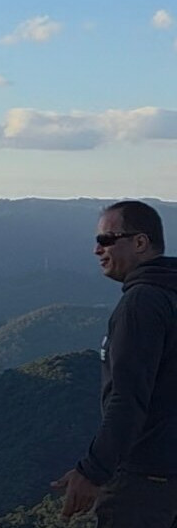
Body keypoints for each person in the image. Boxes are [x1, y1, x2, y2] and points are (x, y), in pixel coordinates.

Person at [52, 200, 177, 526]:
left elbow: (128, 398)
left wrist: (93, 470)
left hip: (144, 479)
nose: (97, 249)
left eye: (107, 239)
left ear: (140, 242)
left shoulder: (141, 302)